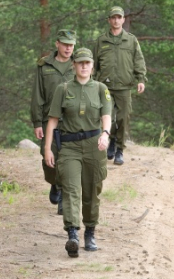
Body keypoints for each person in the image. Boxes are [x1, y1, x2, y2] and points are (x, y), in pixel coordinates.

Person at [44, 47, 112, 258]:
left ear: (92, 66)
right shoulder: (63, 89)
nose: (84, 66)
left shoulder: (101, 89)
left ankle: (90, 232)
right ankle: (72, 234)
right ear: (73, 65)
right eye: (80, 62)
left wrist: (105, 134)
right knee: (71, 189)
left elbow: (107, 115)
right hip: (70, 146)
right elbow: (53, 120)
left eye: (87, 63)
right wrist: (47, 148)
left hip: (94, 145)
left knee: (91, 191)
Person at [93, 6, 147, 166]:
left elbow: (139, 60)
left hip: (124, 86)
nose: (116, 20)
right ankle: (109, 141)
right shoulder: (101, 40)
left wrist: (141, 79)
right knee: (105, 117)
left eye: (119, 17)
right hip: (105, 87)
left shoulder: (131, 40)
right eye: (113, 17)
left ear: (123, 20)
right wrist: (89, 82)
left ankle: (119, 149)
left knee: (123, 118)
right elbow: (93, 64)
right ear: (109, 20)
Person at [30, 29, 76, 215]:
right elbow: (37, 95)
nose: (68, 48)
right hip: (50, 121)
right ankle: (54, 183)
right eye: (65, 44)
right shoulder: (45, 66)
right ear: (57, 43)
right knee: (48, 159)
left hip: (73, 122)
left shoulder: (78, 64)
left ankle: (64, 198)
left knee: (69, 160)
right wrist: (36, 122)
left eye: (71, 45)